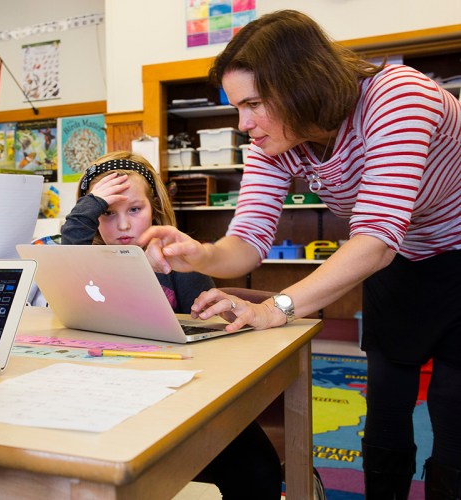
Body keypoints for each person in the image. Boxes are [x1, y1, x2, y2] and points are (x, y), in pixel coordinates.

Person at [138, 10, 461, 500]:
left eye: (253, 104)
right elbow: (246, 241)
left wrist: (276, 307)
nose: (243, 124)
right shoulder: (276, 139)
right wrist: (200, 254)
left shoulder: (398, 97)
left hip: (452, 251)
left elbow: (374, 238)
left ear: (302, 85)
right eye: (235, 107)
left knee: (453, 410)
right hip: (397, 260)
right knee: (386, 409)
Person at [62, 151, 283, 499]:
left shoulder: (179, 258)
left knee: (258, 469)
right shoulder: (85, 260)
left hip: (181, 397)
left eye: (134, 210)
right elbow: (67, 256)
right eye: (106, 212)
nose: (122, 226)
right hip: (107, 398)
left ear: (156, 211)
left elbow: (207, 326)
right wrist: (87, 207)